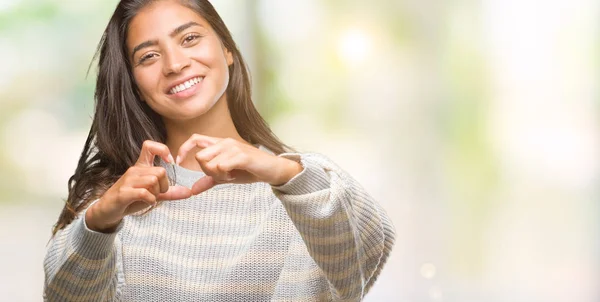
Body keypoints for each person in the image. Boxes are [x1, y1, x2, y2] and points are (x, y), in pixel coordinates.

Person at [43, 0, 395, 301]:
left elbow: (358, 266)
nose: (175, 64)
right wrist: (101, 218)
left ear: (227, 48)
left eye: (190, 38)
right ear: (134, 84)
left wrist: (280, 172)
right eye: (149, 56)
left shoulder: (304, 183)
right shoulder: (116, 203)